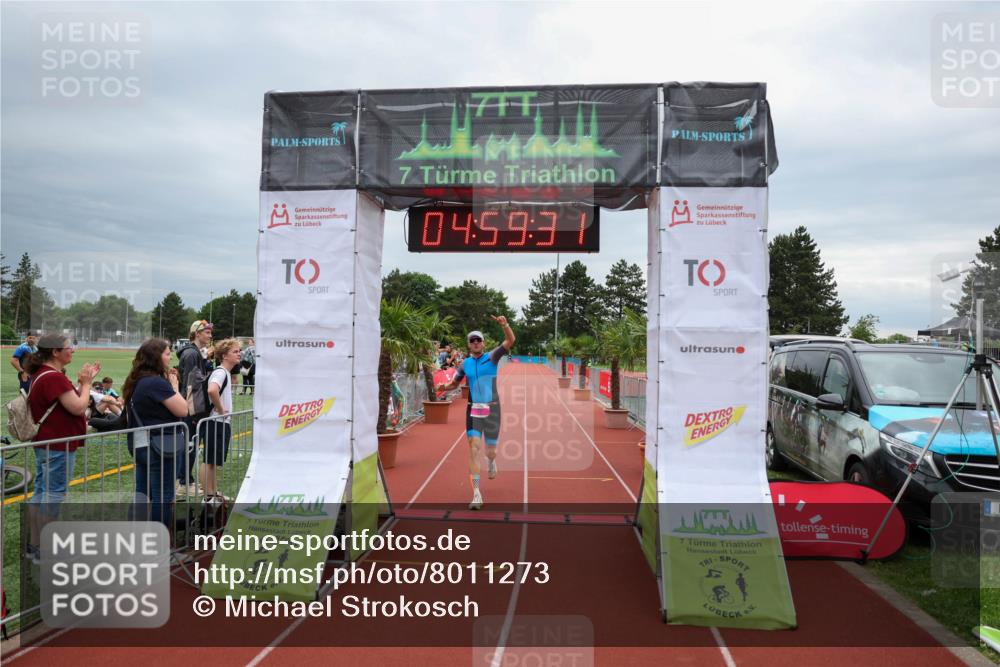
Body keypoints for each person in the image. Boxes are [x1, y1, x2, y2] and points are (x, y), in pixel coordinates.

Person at [24, 333, 100, 563]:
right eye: (69, 347)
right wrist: (87, 385)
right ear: (55, 352)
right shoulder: (53, 377)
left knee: (41, 492)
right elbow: (78, 407)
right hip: (57, 445)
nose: (72, 350)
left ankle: (35, 545)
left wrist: (83, 383)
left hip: (47, 443)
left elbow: (64, 402)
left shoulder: (44, 374)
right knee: (53, 496)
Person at [436, 316, 515, 510]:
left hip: (493, 408)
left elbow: (510, 340)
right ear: (469, 345)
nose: (476, 342)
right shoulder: (465, 364)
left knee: (490, 451)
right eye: (472, 340)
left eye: (478, 340)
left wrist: (505, 325)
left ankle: (492, 460)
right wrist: (444, 387)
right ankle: (477, 493)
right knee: (473, 448)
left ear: (483, 343)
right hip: (473, 409)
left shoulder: (492, 356)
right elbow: (455, 383)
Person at [122, 338, 188, 530]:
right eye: (167, 353)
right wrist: (174, 387)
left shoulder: (136, 380)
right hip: (160, 446)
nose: (170, 357)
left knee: (142, 493)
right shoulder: (156, 383)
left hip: (141, 444)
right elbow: (183, 409)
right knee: (163, 496)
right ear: (156, 357)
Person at [175, 319, 213, 496]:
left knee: (191, 444)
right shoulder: (191, 354)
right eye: (207, 332)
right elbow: (192, 385)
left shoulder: (194, 353)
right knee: (190, 445)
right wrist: (195, 411)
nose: (210, 336)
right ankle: (184, 482)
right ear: (197, 334)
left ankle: (184, 480)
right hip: (191, 407)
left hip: (191, 405)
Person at [199, 339, 239, 501]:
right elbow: (212, 390)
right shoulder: (221, 372)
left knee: (213, 461)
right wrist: (221, 410)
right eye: (235, 352)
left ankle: (212, 492)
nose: (239, 354)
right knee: (209, 460)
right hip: (215, 421)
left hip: (219, 422)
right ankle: (208, 495)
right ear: (224, 356)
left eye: (239, 351)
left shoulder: (225, 372)